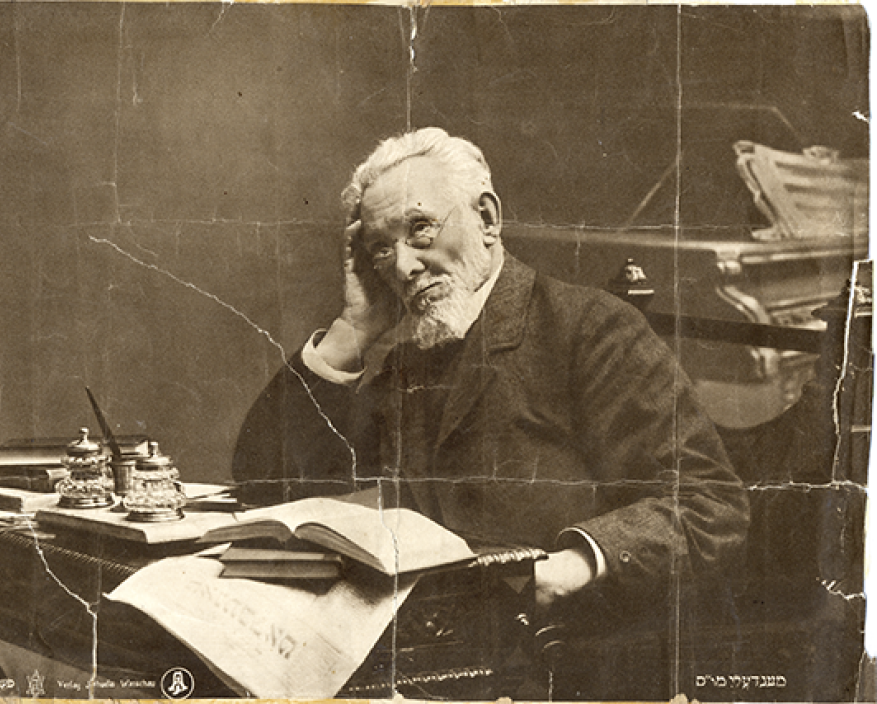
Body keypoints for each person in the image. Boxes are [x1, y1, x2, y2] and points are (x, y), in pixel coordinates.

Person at [232, 127, 749, 679]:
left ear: (487, 218)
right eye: (382, 249)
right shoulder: (410, 363)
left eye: (420, 229)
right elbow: (266, 484)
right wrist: (353, 329)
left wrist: (569, 567)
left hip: (571, 660)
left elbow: (709, 505)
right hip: (444, 660)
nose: (403, 267)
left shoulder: (589, 328)